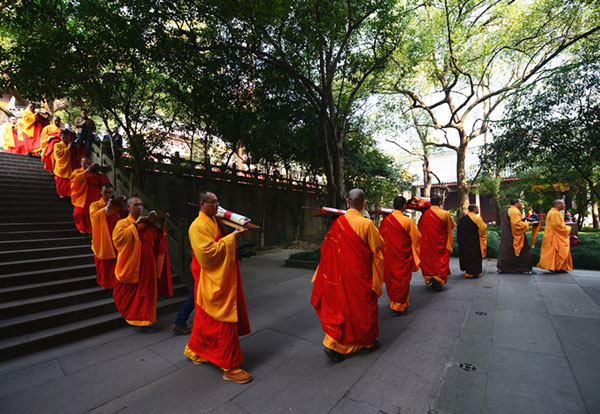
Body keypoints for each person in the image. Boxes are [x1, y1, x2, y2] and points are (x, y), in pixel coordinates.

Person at [183, 191, 252, 384]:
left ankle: (196, 351)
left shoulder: (212, 221)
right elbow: (207, 254)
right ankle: (229, 367)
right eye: (213, 203)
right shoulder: (197, 226)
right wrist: (232, 238)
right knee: (222, 322)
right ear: (201, 204)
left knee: (204, 320)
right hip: (210, 279)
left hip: (216, 279)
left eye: (217, 202)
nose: (217, 206)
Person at [311, 188, 384, 363]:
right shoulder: (367, 224)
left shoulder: (338, 223)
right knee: (364, 309)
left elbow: (326, 249)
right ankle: (367, 343)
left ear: (347, 202)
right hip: (360, 276)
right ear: (363, 203)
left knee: (340, 308)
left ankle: (333, 343)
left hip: (339, 275)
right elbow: (378, 248)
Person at [112, 197, 173, 331]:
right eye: (135, 205)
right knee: (136, 294)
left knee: (149, 293)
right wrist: (135, 225)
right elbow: (118, 240)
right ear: (128, 208)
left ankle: (147, 320)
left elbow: (158, 239)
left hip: (149, 264)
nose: (139, 207)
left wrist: (162, 224)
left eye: (141, 205)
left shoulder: (147, 224)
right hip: (134, 265)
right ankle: (138, 320)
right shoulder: (122, 223)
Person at [379, 195, 420, 315]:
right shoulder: (407, 220)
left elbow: (380, 238)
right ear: (404, 206)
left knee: (392, 279)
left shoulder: (386, 220)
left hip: (389, 256)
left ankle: (394, 302)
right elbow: (417, 237)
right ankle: (399, 305)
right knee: (402, 279)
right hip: (403, 256)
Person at [89, 184, 127, 288]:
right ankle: (105, 283)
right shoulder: (95, 205)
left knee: (117, 261)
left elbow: (126, 216)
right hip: (103, 239)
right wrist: (107, 207)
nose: (109, 195)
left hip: (116, 238)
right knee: (104, 264)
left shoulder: (116, 205)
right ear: (101, 193)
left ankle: (116, 282)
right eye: (106, 192)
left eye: (110, 192)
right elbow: (94, 217)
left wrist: (122, 203)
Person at [418, 194, 455, 290]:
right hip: (440, 243)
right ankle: (438, 277)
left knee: (429, 260)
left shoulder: (425, 214)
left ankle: (430, 276)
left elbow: (419, 226)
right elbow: (452, 226)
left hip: (428, 243)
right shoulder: (445, 214)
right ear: (440, 202)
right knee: (440, 260)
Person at [70, 157, 111, 234]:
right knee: (81, 212)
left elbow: (104, 184)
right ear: (81, 163)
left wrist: (103, 174)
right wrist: (86, 171)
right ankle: (83, 229)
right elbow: (75, 182)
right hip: (82, 195)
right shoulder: (77, 171)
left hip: (95, 195)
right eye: (85, 164)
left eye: (89, 164)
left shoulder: (96, 174)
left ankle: (92, 230)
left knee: (94, 212)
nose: (87, 165)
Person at [497, 198, 534, 274]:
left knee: (507, 251)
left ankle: (504, 268)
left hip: (508, 235)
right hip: (513, 236)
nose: (522, 204)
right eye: (520, 202)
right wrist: (528, 224)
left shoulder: (509, 210)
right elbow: (516, 224)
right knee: (520, 251)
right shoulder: (514, 211)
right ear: (516, 203)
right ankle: (519, 269)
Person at [538, 200, 573, 273]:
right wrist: (568, 228)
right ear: (557, 205)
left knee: (558, 251)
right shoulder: (554, 213)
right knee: (557, 251)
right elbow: (557, 225)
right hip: (555, 236)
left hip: (555, 235)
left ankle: (560, 267)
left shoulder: (555, 212)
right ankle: (556, 267)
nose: (564, 205)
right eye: (563, 204)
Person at [457, 204, 488, 278]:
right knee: (474, 256)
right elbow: (483, 228)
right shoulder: (476, 218)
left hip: (464, 241)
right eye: (477, 208)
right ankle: (474, 272)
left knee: (467, 256)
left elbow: (459, 230)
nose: (478, 210)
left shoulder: (463, 218)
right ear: (474, 209)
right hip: (474, 241)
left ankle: (468, 272)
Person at [53, 130, 73, 198]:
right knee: (61, 182)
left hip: (68, 166)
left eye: (66, 138)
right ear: (60, 137)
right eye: (63, 137)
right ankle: (62, 193)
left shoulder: (70, 144)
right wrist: (68, 149)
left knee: (68, 182)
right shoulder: (57, 145)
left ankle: (68, 194)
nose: (65, 139)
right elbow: (58, 154)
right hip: (60, 166)